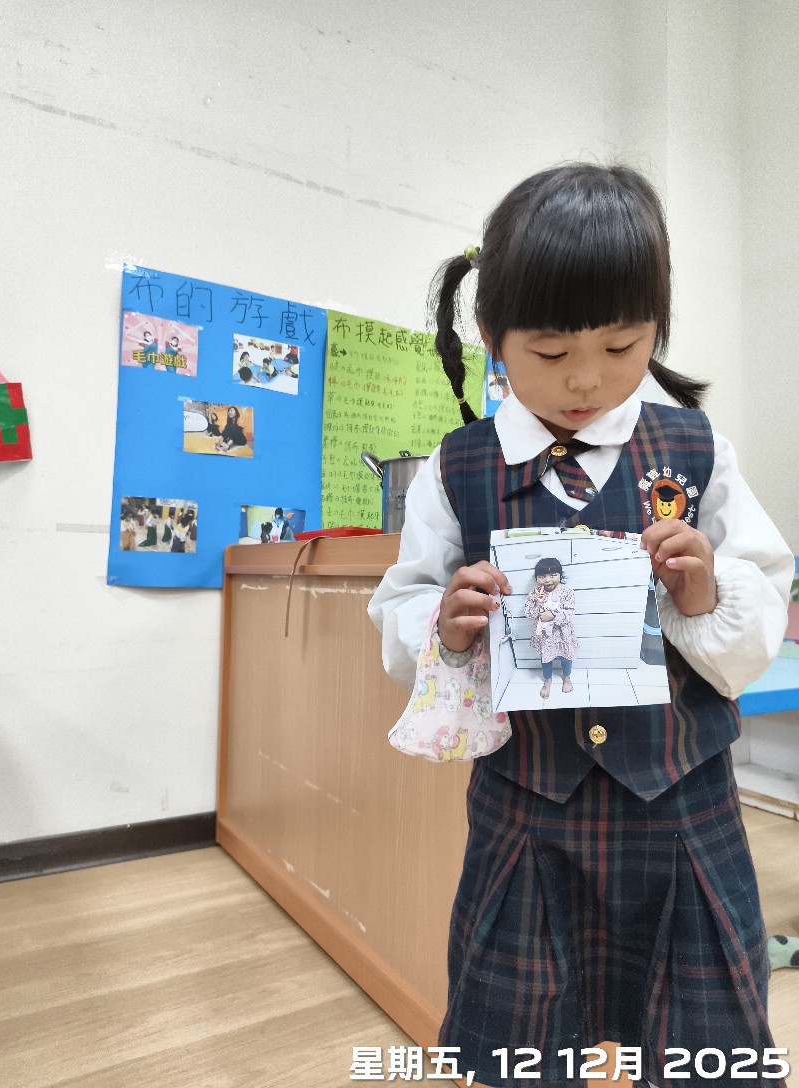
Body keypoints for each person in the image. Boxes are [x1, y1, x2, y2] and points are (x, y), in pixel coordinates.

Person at [368, 164, 793, 1088]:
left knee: (706, 1050)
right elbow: (403, 604)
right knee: (515, 1045)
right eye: (552, 352)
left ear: (656, 329)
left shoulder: (696, 449)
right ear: (493, 339)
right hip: (527, 817)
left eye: (623, 345)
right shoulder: (457, 468)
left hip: (682, 808)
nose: (587, 379)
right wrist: (446, 626)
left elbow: (764, 594)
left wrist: (703, 594)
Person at [524, 556, 578, 697]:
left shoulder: (567, 591)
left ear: (560, 575)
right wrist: (537, 603)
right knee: (546, 659)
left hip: (562, 634)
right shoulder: (535, 593)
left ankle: (567, 677)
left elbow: (570, 612)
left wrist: (553, 616)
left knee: (566, 657)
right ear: (536, 578)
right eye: (542, 576)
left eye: (553, 575)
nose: (547, 580)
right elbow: (529, 614)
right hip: (545, 637)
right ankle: (547, 680)